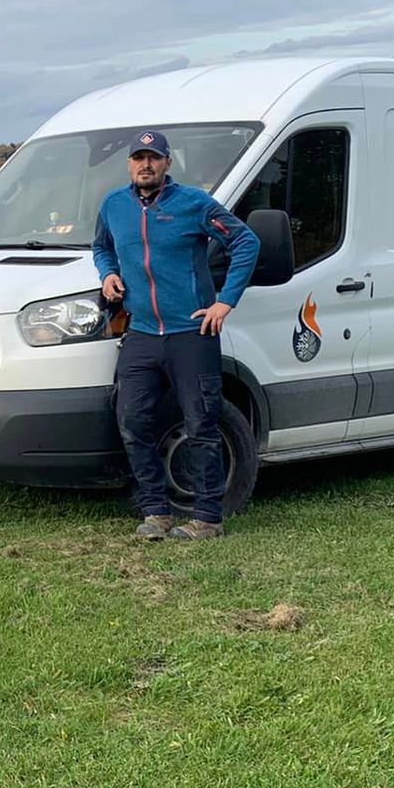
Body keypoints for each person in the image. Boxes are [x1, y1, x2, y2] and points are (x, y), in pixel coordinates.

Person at [93, 129, 260, 540]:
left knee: (201, 424)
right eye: (138, 158)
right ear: (129, 163)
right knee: (131, 420)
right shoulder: (114, 205)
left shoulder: (193, 204)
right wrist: (108, 273)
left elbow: (246, 241)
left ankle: (207, 518)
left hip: (192, 333)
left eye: (154, 157)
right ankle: (156, 513)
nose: (145, 165)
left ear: (168, 163)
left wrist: (226, 302)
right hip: (142, 333)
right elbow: (101, 246)